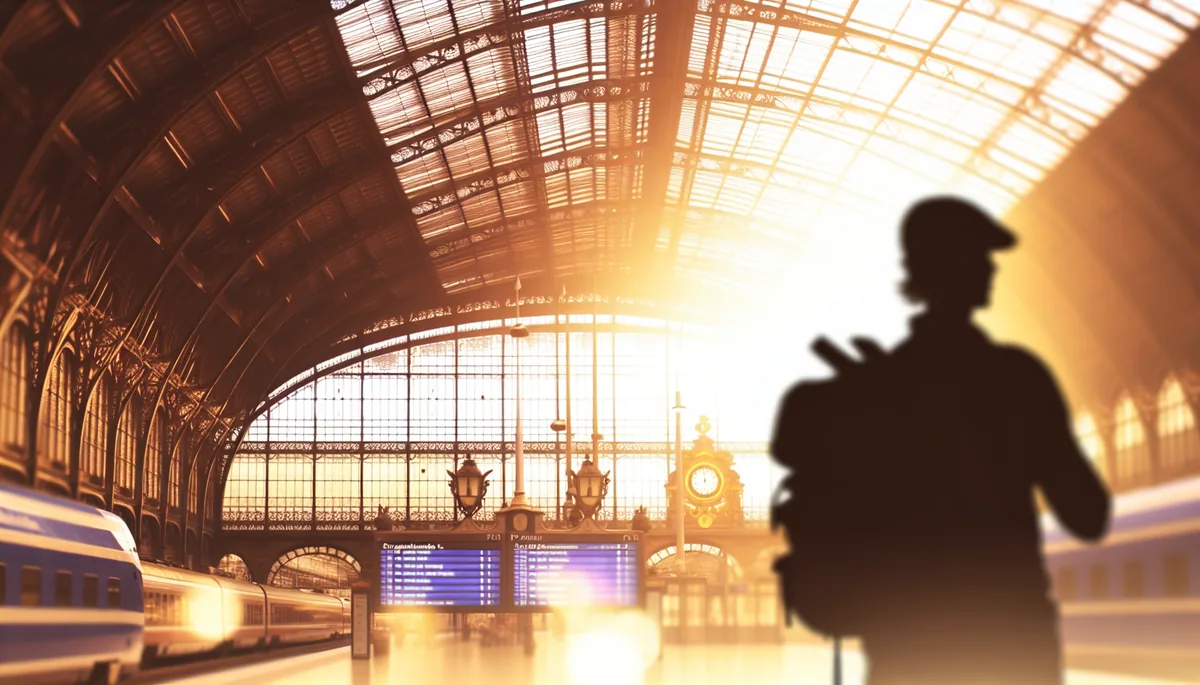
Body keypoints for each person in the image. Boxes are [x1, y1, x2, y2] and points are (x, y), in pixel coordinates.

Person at [851, 197, 1112, 684]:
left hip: (907, 644)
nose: (992, 268)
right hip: (1008, 640)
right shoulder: (1015, 378)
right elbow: (1087, 515)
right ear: (954, 266)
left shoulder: (877, 387)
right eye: (980, 255)